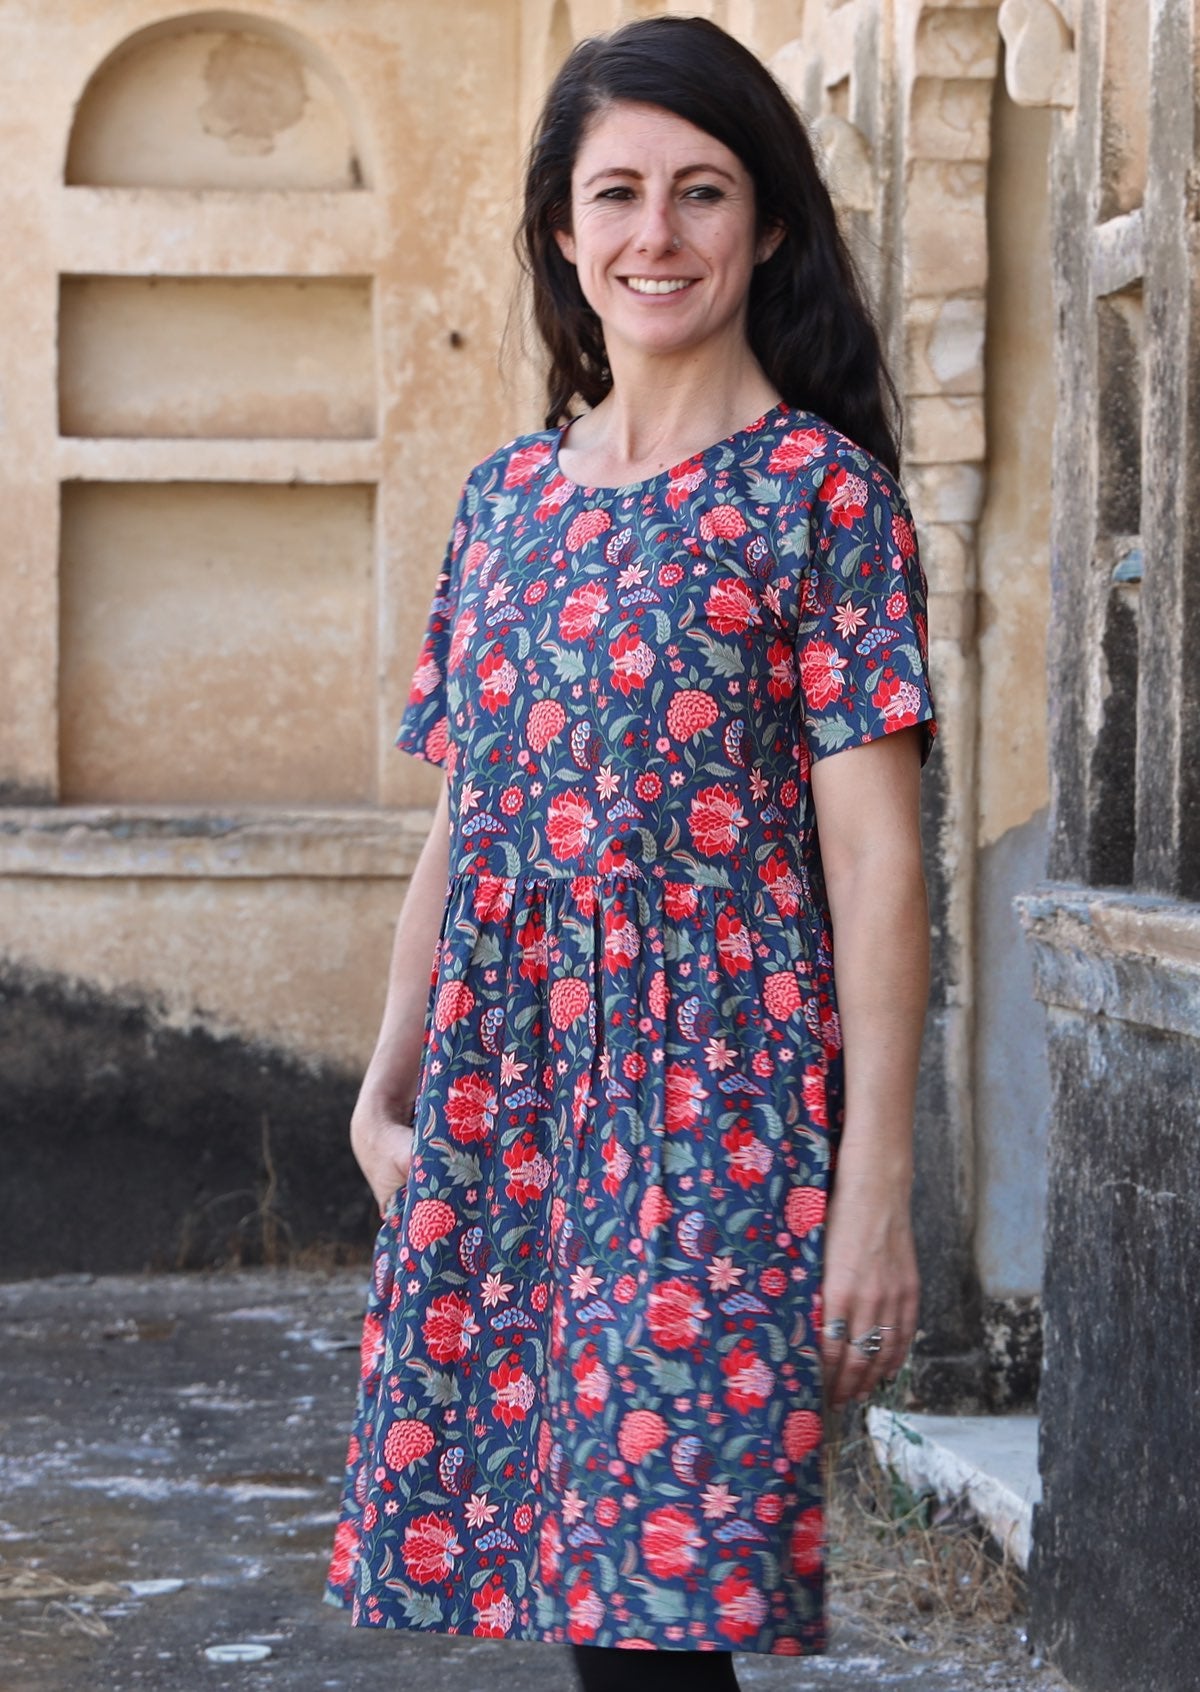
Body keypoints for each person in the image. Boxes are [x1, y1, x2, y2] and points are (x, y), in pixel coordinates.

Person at [326, 16, 934, 1689]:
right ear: (561, 233)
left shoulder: (822, 500)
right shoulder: (508, 497)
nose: (654, 235)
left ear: (770, 228)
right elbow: (471, 821)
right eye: (616, 195)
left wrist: (873, 1191)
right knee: (585, 1619)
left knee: (665, 1615)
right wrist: (385, 1085)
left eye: (701, 192)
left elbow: (881, 869)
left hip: (712, 1113)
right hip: (510, 1098)